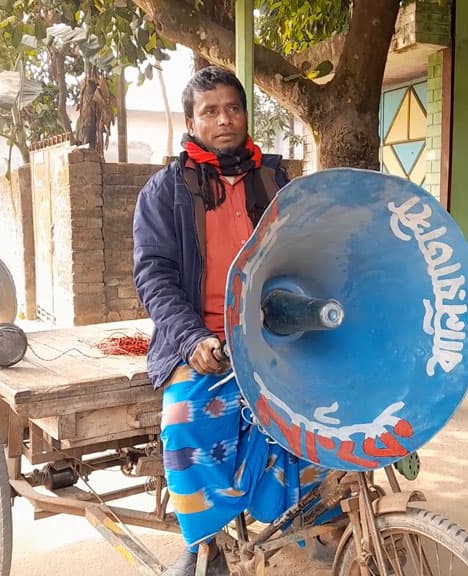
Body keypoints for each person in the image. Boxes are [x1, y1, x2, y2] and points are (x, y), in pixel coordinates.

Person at [132, 66, 336, 576]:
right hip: (201, 338)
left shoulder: (274, 180)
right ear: (190, 121)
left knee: (323, 408)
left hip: (272, 333)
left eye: (233, 108)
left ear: (245, 114)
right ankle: (204, 540)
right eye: (210, 111)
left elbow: (305, 255)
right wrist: (190, 338)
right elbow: (154, 277)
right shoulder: (165, 191)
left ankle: (314, 513)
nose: (224, 120)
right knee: (183, 421)